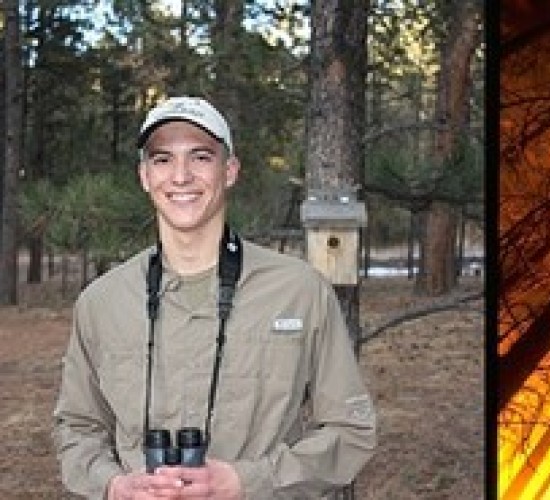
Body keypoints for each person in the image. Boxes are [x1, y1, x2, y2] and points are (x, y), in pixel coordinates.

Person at [53, 96, 377, 499]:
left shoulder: (299, 291)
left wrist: (249, 481)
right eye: (163, 159)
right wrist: (115, 485)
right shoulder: (101, 302)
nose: (181, 176)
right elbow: (77, 426)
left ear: (230, 171)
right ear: (144, 176)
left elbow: (351, 430)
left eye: (201, 157)